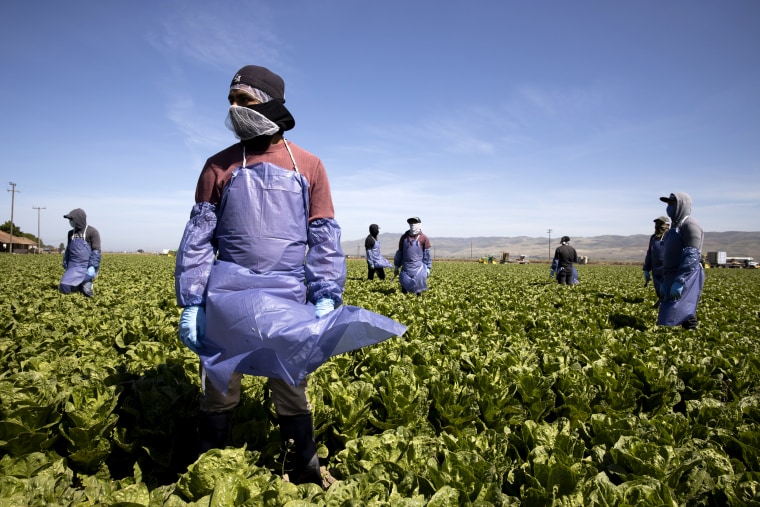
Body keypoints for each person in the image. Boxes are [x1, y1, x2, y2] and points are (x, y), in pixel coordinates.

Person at [174, 65, 404, 488]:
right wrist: (192, 302)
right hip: (227, 293)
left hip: (287, 292)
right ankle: (212, 470)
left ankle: (304, 465)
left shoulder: (309, 166)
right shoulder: (218, 166)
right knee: (219, 384)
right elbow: (198, 239)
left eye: (243, 100)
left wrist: (325, 293)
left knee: (290, 381)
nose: (234, 109)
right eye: (231, 100)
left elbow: (323, 236)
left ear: (270, 102)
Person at [657, 192, 704, 329]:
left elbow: (692, 255)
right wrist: (664, 280)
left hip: (685, 275)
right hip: (671, 275)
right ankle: (689, 335)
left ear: (682, 205)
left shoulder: (690, 225)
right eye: (668, 204)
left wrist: (680, 280)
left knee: (677, 312)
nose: (669, 207)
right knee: (681, 311)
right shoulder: (674, 227)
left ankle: (689, 337)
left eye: (672, 204)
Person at [59, 208, 101, 297]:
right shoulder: (70, 233)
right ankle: (77, 285)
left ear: (78, 219)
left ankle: (86, 284)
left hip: (86, 266)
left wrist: (92, 266)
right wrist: (65, 261)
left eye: (71, 219)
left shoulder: (92, 232)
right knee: (64, 287)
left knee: (86, 291)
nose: (70, 221)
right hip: (73, 266)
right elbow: (68, 249)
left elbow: (96, 251)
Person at [394, 217, 432, 295]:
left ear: (419, 224)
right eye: (411, 223)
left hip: (418, 269)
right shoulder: (404, 237)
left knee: (418, 291)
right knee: (404, 289)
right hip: (406, 268)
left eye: (414, 223)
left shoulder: (424, 238)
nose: (412, 225)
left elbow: (427, 255)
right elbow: (400, 252)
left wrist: (428, 267)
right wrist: (397, 266)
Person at [643, 215, 670, 307]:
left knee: (667, 291)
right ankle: (661, 302)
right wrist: (646, 269)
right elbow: (649, 253)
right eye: (656, 225)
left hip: (667, 268)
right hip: (655, 269)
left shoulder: (670, 237)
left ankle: (665, 307)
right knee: (658, 289)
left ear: (667, 225)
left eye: (660, 226)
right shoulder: (653, 238)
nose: (658, 228)